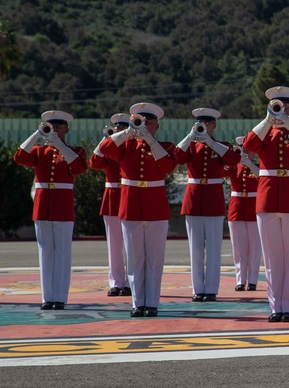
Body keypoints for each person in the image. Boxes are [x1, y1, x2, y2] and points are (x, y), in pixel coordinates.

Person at [243, 86, 289, 322]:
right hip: (267, 200)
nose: (281, 109)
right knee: (273, 258)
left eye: (285, 106)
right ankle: (276, 307)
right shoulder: (265, 131)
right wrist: (268, 120)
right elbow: (249, 145)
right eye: (277, 105)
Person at [99, 102, 178, 317]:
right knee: (135, 259)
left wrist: (150, 140)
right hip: (131, 205)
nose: (144, 126)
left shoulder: (165, 146)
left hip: (155, 207)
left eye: (148, 123)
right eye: (140, 121)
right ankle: (137, 303)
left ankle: (151, 303)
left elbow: (169, 166)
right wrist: (128, 131)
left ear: (156, 126)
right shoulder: (126, 146)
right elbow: (104, 149)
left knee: (154, 259)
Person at [14, 110, 88, 310]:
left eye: (58, 127)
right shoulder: (38, 151)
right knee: (45, 252)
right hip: (42, 206)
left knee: (62, 252)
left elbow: (80, 168)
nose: (54, 130)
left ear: (66, 129)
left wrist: (60, 145)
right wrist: (37, 134)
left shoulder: (75, 150)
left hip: (63, 207)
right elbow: (19, 157)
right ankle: (48, 298)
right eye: (51, 126)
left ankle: (60, 298)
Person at [175, 108, 241, 303]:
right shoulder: (191, 146)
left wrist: (210, 142)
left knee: (213, 248)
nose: (203, 126)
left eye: (207, 123)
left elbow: (234, 159)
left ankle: (211, 289)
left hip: (213, 199)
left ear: (214, 125)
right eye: (200, 123)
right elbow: (176, 158)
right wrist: (190, 136)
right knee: (195, 249)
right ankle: (198, 289)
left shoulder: (221, 146)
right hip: (194, 200)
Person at [89, 112, 131, 297]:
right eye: (117, 128)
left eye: (123, 127)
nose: (119, 131)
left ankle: (130, 281)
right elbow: (95, 162)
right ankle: (116, 282)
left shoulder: (132, 146)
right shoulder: (108, 147)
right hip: (113, 196)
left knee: (131, 244)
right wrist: (103, 140)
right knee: (114, 245)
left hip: (129, 194)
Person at [225, 136, 261, 291]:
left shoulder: (258, 166)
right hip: (237, 209)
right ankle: (240, 280)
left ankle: (252, 280)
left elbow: (262, 176)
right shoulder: (234, 167)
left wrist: (249, 163)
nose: (246, 153)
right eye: (243, 150)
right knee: (239, 248)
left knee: (254, 248)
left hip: (253, 208)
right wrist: (234, 157)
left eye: (249, 150)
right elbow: (222, 171)